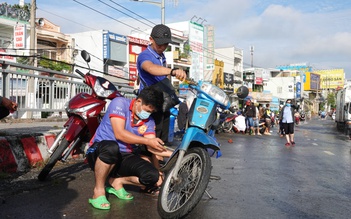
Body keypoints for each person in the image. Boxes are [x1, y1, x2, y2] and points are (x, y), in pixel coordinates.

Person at [86, 86, 172, 210]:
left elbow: (152, 147)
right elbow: (119, 133)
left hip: (124, 155)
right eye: (147, 110)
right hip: (100, 151)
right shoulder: (119, 103)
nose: (148, 114)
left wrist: (175, 154)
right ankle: (98, 191)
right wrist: (148, 140)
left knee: (153, 177)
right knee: (111, 147)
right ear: (138, 102)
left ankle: (117, 181)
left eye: (151, 112)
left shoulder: (149, 121)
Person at [136, 24, 187, 144]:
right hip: (149, 103)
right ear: (151, 39)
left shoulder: (161, 56)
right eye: (160, 44)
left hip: (163, 102)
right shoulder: (145, 55)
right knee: (150, 139)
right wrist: (172, 71)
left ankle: (159, 161)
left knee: (162, 139)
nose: (163, 47)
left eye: (166, 44)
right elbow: (150, 68)